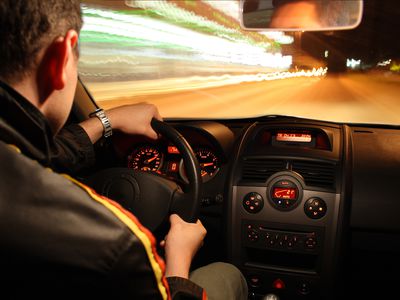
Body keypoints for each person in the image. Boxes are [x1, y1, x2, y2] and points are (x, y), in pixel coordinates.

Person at [0, 0, 247, 299]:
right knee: (227, 274)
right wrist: (179, 256)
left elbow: (39, 154)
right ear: (60, 58)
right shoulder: (116, 243)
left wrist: (107, 120)